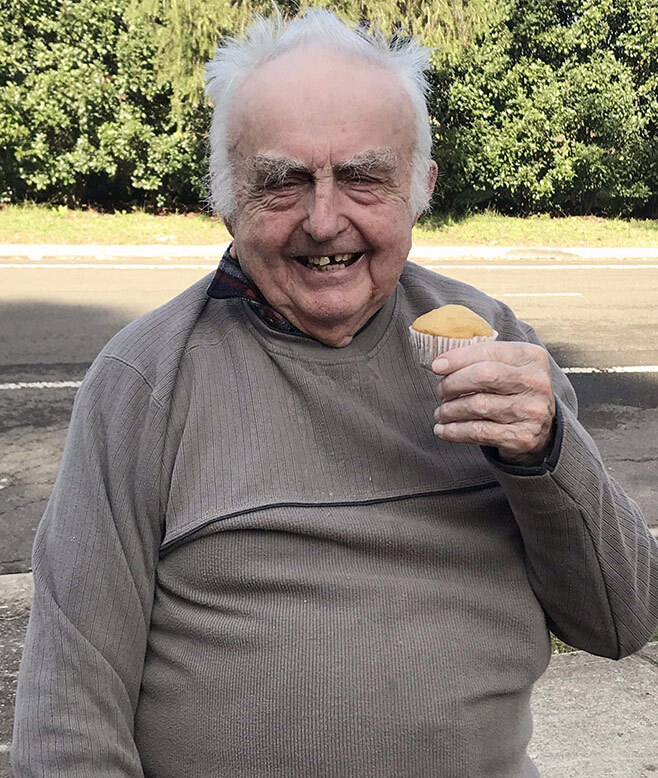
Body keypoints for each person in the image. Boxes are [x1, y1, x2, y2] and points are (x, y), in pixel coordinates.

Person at [12, 9, 658, 777]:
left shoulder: (488, 343)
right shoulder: (146, 381)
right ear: (227, 203)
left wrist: (547, 456)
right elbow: (67, 724)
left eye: (363, 177)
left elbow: (620, 622)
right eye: (282, 183)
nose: (326, 220)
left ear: (421, 187)